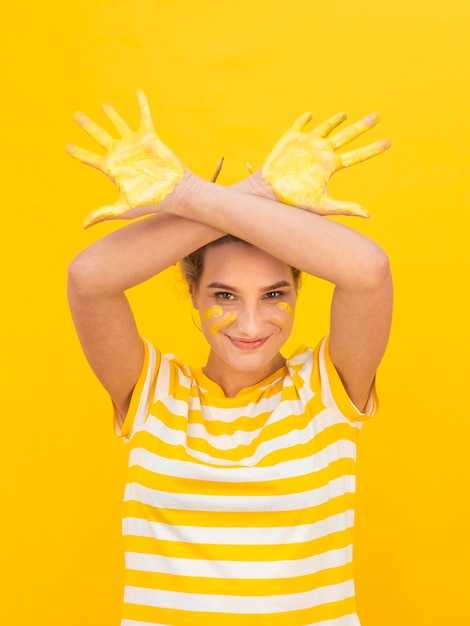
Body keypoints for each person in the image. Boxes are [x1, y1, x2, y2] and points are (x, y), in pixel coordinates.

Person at [66, 90, 393, 626]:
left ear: (296, 294)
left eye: (273, 295)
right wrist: (255, 193)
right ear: (193, 297)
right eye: (224, 295)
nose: (250, 324)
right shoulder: (154, 393)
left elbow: (369, 269)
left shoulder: (326, 393)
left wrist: (188, 194)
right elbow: (88, 279)